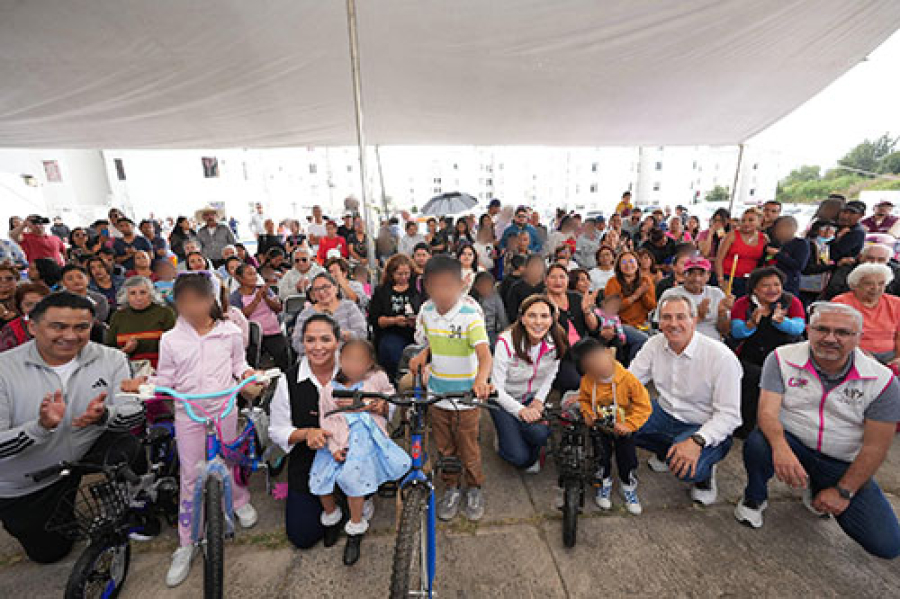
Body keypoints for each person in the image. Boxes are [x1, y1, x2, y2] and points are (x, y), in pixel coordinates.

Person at [734, 303, 900, 559]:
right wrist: (781, 450)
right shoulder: (781, 358)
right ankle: (754, 497)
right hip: (794, 442)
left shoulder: (883, 381)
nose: (830, 339)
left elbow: (875, 447)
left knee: (887, 545)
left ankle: (818, 485)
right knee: (758, 443)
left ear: (859, 337)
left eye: (843, 333)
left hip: (842, 460)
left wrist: (844, 491)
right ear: (809, 330)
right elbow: (766, 413)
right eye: (822, 329)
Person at [0, 292, 145, 564]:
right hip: (30, 478)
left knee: (129, 448)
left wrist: (104, 416)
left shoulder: (111, 358)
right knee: (50, 554)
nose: (70, 336)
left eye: (81, 327)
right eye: (58, 326)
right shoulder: (4, 369)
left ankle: (125, 499)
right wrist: (40, 428)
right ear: (32, 327)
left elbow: (134, 413)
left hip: (84, 449)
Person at [143, 274, 260, 586]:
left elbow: (239, 365)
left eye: (198, 300)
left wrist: (250, 374)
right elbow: (165, 377)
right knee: (191, 474)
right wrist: (146, 387)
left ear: (212, 299)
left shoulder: (230, 332)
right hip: (189, 412)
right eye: (184, 301)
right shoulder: (170, 338)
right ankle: (186, 541)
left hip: (224, 407)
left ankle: (238, 501)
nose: (191, 307)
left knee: (230, 458)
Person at [630, 294, 742, 505]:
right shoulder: (654, 343)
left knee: (687, 471)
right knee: (617, 424)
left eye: (681, 317)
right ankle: (667, 449)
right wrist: (592, 394)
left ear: (694, 319)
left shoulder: (721, 357)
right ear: (659, 321)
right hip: (664, 412)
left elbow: (729, 416)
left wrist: (697, 441)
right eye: (666, 317)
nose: (673, 324)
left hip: (702, 424)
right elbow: (629, 382)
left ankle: (705, 470)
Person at [310, 340, 410, 566]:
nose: (353, 365)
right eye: (348, 359)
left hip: (367, 436)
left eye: (359, 360)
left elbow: (389, 395)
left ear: (370, 363)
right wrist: (335, 447)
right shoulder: (330, 388)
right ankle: (332, 516)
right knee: (320, 476)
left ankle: (355, 526)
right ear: (340, 360)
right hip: (338, 438)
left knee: (355, 478)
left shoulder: (376, 379)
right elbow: (327, 418)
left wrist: (382, 405)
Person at [407, 256, 492, 522]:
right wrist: (424, 354)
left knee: (468, 447)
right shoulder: (428, 312)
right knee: (444, 448)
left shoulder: (470, 316)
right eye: (436, 286)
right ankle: (451, 487)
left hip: (465, 398)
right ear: (426, 286)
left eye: (448, 285)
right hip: (437, 394)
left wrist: (481, 381)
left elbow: (485, 356)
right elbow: (434, 340)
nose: (442, 292)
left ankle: (474, 487)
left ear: (461, 285)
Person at [268, 314, 340, 549]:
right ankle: (332, 507)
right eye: (310, 340)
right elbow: (277, 430)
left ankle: (346, 503)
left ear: (337, 342)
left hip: (350, 455)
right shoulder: (288, 381)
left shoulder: (353, 372)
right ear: (302, 343)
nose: (318, 347)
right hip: (308, 459)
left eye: (325, 339)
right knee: (302, 536)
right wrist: (306, 433)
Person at [573, 339, 651, 514]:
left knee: (628, 458)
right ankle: (604, 482)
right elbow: (584, 399)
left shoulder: (628, 380)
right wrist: (587, 413)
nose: (600, 367)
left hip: (624, 429)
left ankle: (628, 485)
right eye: (592, 366)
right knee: (601, 457)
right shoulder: (587, 381)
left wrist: (630, 424)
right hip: (600, 428)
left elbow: (644, 405)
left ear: (608, 353)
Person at [490, 295, 564, 472]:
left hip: (531, 399)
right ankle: (504, 436)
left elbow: (551, 374)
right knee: (518, 457)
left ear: (552, 319)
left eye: (544, 316)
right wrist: (521, 411)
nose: (538, 322)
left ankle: (518, 432)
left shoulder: (557, 340)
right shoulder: (506, 342)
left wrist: (539, 400)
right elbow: (496, 389)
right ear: (522, 319)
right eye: (532, 315)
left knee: (540, 435)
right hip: (503, 400)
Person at [730, 267, 806, 436]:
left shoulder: (791, 302)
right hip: (751, 355)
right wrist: (751, 324)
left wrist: (782, 322)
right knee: (752, 379)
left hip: (783, 355)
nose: (772, 289)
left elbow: (799, 328)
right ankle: (745, 427)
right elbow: (736, 331)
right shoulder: (743, 303)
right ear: (755, 288)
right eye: (766, 285)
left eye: (776, 284)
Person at [833, 263, 900, 364]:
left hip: (891, 355)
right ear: (855, 285)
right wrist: (862, 356)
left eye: (881, 283)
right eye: (868, 284)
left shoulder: (896, 303)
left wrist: (899, 358)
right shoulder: (841, 302)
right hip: (853, 353)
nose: (875, 288)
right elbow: (839, 335)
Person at [368, 254, 421, 379]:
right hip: (391, 333)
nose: (403, 277)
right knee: (391, 348)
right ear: (391, 274)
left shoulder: (417, 289)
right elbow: (375, 319)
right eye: (399, 274)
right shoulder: (382, 291)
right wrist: (394, 321)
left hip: (415, 332)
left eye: (406, 274)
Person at [230, 264, 291, 371]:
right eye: (250, 274)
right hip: (251, 336)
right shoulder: (235, 297)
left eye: (255, 274)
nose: (254, 277)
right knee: (252, 359)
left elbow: (278, 308)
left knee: (283, 356)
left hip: (272, 331)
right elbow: (240, 316)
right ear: (239, 278)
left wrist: (266, 298)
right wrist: (256, 300)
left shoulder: (263, 290)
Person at [105, 276, 176, 368]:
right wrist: (124, 351)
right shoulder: (118, 316)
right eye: (132, 293)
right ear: (126, 296)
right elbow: (109, 349)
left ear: (151, 294)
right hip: (125, 367)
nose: (138, 297)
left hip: (161, 367)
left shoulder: (165, 313)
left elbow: (175, 346)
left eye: (143, 293)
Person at [292, 273, 367, 357]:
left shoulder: (349, 307)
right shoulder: (305, 314)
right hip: (313, 358)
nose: (321, 292)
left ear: (336, 288)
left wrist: (341, 334)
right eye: (316, 289)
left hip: (346, 356)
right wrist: (318, 349)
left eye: (325, 287)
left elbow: (362, 335)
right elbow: (296, 343)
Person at [657, 256, 729, 340]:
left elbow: (724, 330)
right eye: (691, 273)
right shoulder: (671, 294)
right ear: (684, 275)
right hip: (680, 342)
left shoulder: (717, 293)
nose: (696, 278)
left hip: (712, 343)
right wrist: (698, 317)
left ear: (708, 276)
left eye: (701, 274)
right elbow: (662, 327)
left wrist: (722, 314)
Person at [821, 243, 900, 301]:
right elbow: (833, 291)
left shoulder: (897, 272)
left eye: (881, 260)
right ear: (861, 258)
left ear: (888, 261)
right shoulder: (847, 267)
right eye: (870, 258)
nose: (874, 262)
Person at [716, 208, 766, 297]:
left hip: (749, 280)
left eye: (751, 220)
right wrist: (721, 280)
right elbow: (719, 259)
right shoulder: (731, 235)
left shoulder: (764, 239)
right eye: (743, 220)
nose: (746, 223)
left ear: (760, 221)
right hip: (728, 277)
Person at [605, 251, 656, 329]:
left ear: (637, 264)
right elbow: (612, 309)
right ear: (618, 266)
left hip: (643, 324)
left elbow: (652, 307)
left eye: (631, 261)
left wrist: (643, 294)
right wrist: (635, 296)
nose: (628, 265)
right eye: (624, 262)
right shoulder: (612, 282)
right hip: (621, 325)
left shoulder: (645, 280)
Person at [763, 216, 809, 297]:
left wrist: (778, 254)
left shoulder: (800, 243)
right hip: (769, 280)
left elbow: (799, 265)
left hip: (789, 283)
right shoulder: (773, 243)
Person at [0, 282, 51, 352]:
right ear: (20, 307)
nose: (35, 308)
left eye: (41, 304)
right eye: (28, 304)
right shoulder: (11, 329)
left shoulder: (62, 324)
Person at [505, 254, 546, 322]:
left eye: (539, 266)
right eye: (533, 266)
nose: (536, 269)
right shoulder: (516, 288)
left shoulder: (546, 286)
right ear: (526, 267)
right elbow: (512, 313)